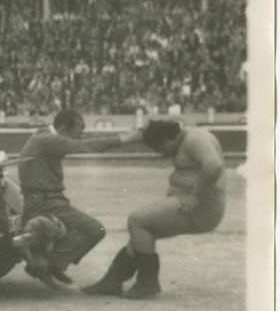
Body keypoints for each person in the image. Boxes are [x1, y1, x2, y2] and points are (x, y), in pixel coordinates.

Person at [83, 120, 225, 299]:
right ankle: (113, 280)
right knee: (141, 233)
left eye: (158, 147)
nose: (158, 153)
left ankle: (147, 282)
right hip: (194, 203)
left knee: (137, 220)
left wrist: (195, 196)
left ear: (167, 139)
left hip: (201, 206)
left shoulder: (195, 139)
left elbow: (214, 166)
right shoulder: (183, 135)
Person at [17, 109, 142, 289]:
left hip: (47, 199)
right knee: (95, 229)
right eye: (78, 130)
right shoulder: (46, 140)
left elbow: (82, 140)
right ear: (63, 128)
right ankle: (45, 264)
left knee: (83, 229)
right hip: (45, 202)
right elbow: (85, 145)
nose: (79, 135)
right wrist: (125, 139)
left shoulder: (45, 137)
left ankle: (52, 263)